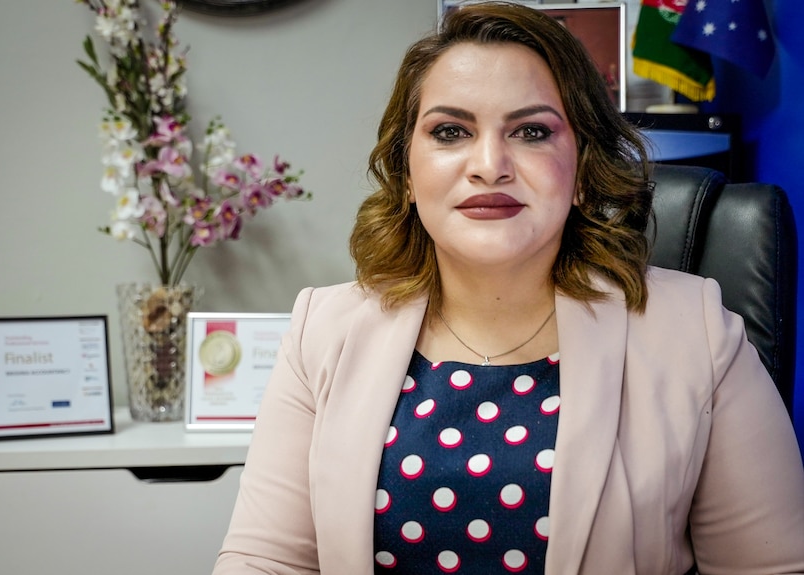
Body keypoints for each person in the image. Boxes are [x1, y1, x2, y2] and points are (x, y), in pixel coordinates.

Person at [211, 2, 804, 574]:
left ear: (581, 170)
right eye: (449, 132)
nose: (489, 164)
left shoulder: (697, 332)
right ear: (408, 173)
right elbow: (268, 561)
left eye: (531, 132)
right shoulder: (324, 330)